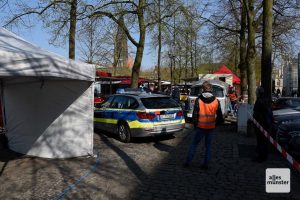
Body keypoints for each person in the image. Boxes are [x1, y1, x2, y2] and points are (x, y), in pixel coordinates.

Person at [183, 81, 223, 169]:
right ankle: (206, 164)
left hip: (200, 127)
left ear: (203, 89)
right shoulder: (216, 101)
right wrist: (215, 124)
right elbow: (220, 117)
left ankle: (188, 161)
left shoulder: (199, 100)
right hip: (211, 127)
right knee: (208, 146)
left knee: (194, 144)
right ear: (211, 89)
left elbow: (195, 115)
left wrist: (195, 125)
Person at [252, 86, 273, 162]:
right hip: (267, 123)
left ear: (259, 93)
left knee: (261, 141)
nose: (255, 93)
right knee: (265, 141)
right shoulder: (267, 100)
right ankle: (264, 156)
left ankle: (261, 157)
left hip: (261, 124)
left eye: (256, 92)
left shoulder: (259, 101)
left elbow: (257, 113)